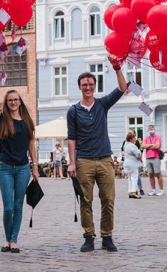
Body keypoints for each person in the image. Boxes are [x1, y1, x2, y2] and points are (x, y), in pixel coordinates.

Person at [67, 66, 127, 253]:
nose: (88, 87)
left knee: (108, 199)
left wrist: (117, 69)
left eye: (91, 84)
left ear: (95, 86)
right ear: (79, 87)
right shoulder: (74, 111)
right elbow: (71, 139)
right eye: (84, 85)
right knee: (85, 201)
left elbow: (123, 88)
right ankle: (89, 237)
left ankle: (107, 237)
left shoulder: (102, 104)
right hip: (84, 160)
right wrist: (71, 162)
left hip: (105, 160)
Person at [0, 67, 38, 254]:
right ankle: (7, 239)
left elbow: (32, 145)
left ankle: (14, 240)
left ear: (20, 101)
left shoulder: (27, 121)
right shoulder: (2, 120)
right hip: (6, 168)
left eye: (16, 99)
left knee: (18, 206)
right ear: (6, 103)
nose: (13, 102)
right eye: (10, 100)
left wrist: (35, 167)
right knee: (8, 207)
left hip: (24, 168)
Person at [142, 125, 164, 196]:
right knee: (150, 174)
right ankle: (153, 190)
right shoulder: (146, 138)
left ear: (154, 129)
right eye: (149, 128)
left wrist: (148, 145)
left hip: (156, 157)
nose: (150, 129)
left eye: (152, 128)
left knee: (158, 174)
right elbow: (142, 146)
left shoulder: (158, 137)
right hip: (148, 158)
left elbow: (157, 146)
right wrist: (152, 145)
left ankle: (161, 190)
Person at [123, 130, 142, 199]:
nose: (135, 139)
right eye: (134, 138)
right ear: (131, 139)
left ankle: (130, 191)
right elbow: (138, 155)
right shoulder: (132, 146)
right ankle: (134, 192)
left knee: (130, 178)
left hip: (127, 162)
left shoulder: (126, 145)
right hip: (133, 164)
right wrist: (140, 155)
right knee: (134, 178)